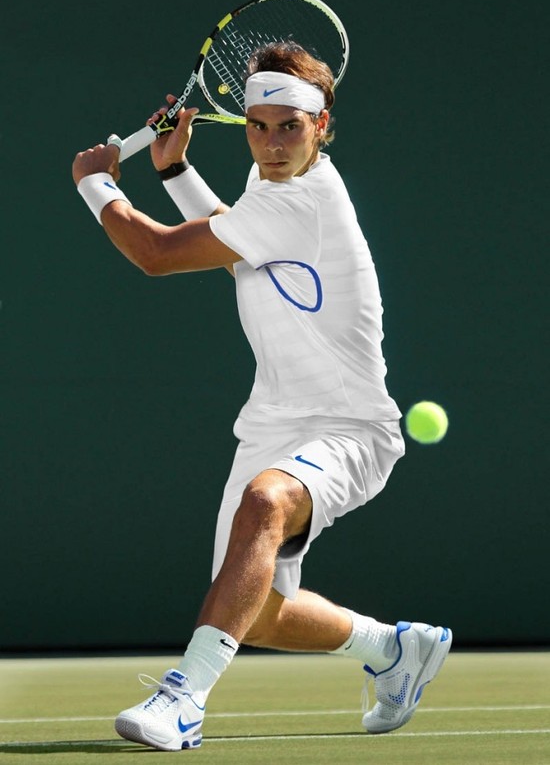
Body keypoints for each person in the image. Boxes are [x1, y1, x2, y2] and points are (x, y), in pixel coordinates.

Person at [72, 41, 452, 752]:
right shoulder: (272, 190)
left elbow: (157, 254)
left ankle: (183, 700)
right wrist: (175, 171)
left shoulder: (306, 202)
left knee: (266, 501)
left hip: (349, 428)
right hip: (273, 425)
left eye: (290, 128)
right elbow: (243, 257)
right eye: (258, 127)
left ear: (321, 125)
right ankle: (394, 648)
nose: (272, 145)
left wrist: (95, 183)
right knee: (258, 612)